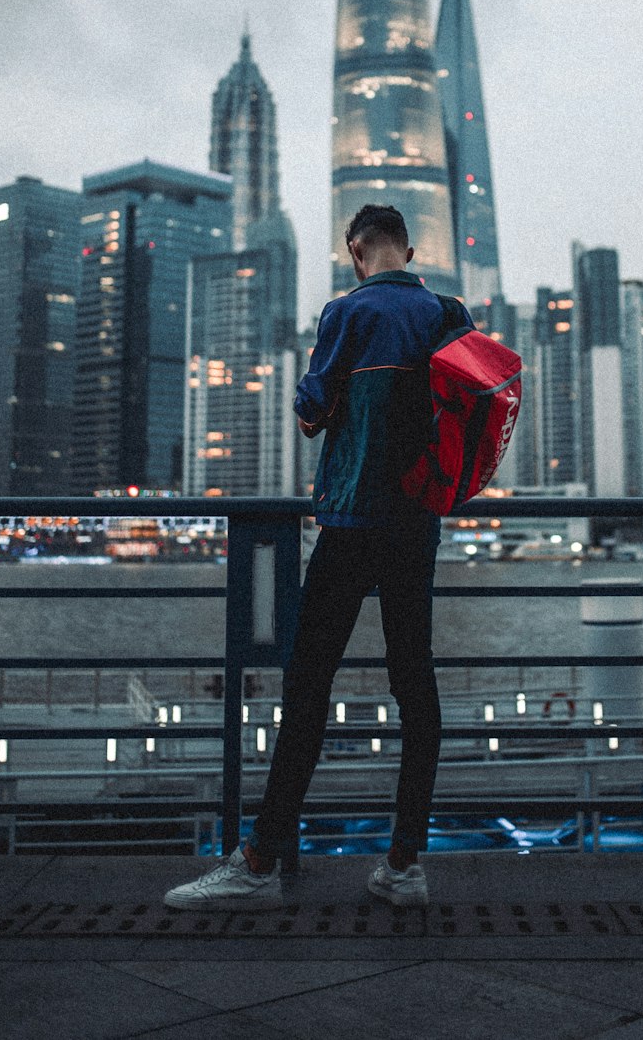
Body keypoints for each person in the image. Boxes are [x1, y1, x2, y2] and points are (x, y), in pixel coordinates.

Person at [165, 204, 472, 913]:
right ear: (410, 249)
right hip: (417, 524)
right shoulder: (449, 314)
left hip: (350, 520)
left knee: (307, 690)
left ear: (355, 250)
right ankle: (404, 864)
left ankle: (261, 860)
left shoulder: (347, 313)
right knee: (415, 688)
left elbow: (310, 412)